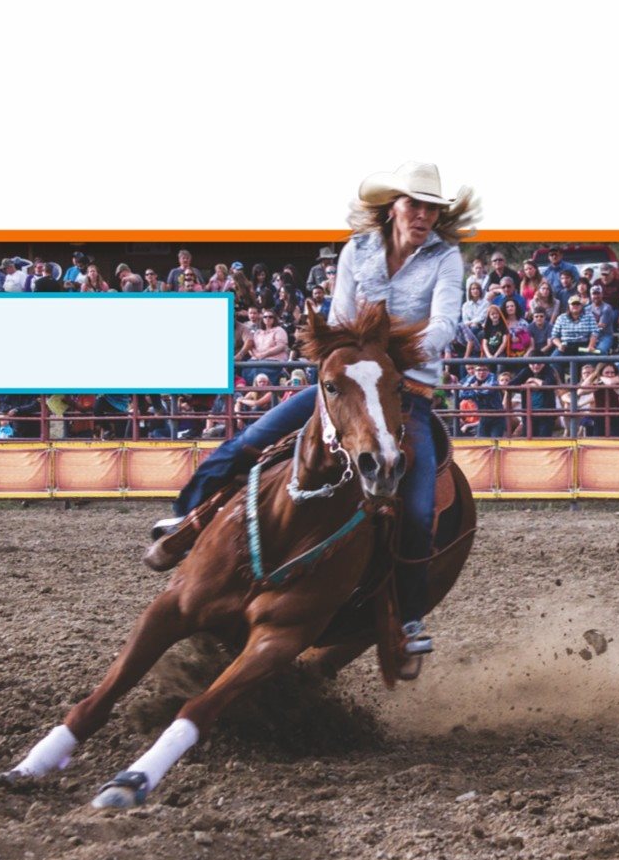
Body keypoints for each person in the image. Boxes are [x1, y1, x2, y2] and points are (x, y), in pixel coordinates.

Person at [151, 161, 478, 662]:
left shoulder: (445, 260)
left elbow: (446, 324)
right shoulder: (357, 251)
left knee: (415, 511)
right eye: (415, 204)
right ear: (392, 206)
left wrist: (389, 359)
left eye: (433, 208)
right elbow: (338, 317)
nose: (424, 215)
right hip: (346, 388)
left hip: (404, 393)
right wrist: (354, 363)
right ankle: (184, 523)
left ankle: (409, 618)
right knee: (244, 446)